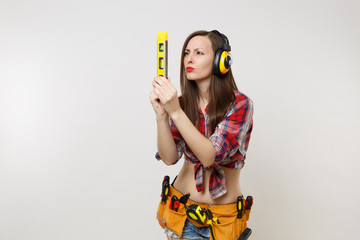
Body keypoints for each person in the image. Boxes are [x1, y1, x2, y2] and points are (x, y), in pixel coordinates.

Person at [150, 30, 254, 240]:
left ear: (221, 61)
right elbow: (169, 158)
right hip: (181, 210)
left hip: (223, 220)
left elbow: (210, 156)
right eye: (187, 52)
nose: (189, 58)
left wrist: (176, 113)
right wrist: (162, 115)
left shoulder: (240, 105)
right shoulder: (180, 104)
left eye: (199, 53)